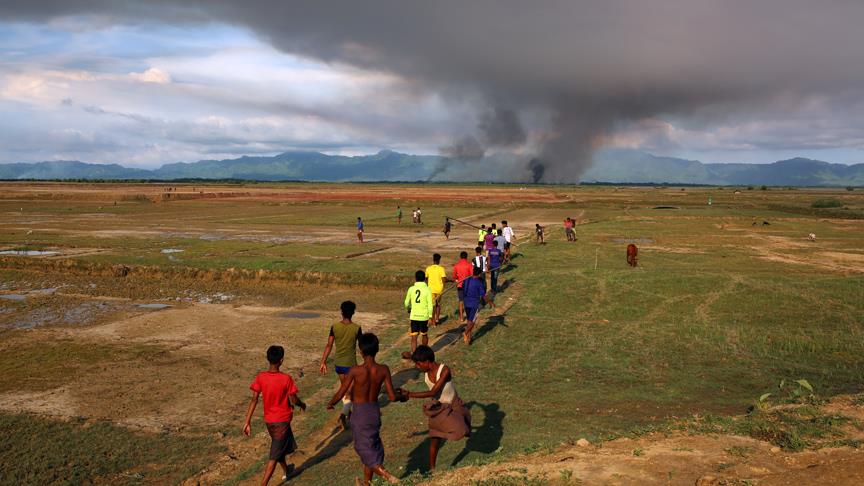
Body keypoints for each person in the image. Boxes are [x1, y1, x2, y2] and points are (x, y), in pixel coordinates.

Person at [327, 333, 400, 485]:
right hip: (374, 412)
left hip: (360, 414)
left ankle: (389, 477)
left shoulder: (355, 370)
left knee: (363, 448)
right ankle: (366, 483)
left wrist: (331, 403)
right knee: (371, 447)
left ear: (360, 351)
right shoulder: (383, 369)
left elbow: (342, 391)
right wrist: (403, 396)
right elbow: (392, 397)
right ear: (377, 349)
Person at [400, 345, 471, 472]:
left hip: (454, 406)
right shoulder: (425, 367)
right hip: (439, 408)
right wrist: (410, 356)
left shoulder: (444, 371)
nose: (417, 367)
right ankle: (432, 469)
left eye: (419, 364)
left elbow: (433, 392)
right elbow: (418, 358)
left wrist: (409, 394)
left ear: (427, 362)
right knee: (434, 437)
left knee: (463, 430)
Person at [243, 345, 306, 486]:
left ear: (268, 358)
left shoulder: (261, 377)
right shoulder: (286, 379)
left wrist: (247, 422)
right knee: (274, 455)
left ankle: (287, 470)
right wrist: (302, 405)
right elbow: (294, 399)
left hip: (269, 421)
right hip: (281, 421)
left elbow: (254, 399)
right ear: (282, 360)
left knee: (280, 448)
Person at [319, 301, 362, 430]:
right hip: (351, 365)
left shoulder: (334, 327)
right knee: (350, 391)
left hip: (339, 365)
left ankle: (348, 412)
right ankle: (343, 415)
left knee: (345, 388)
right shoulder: (357, 328)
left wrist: (323, 361)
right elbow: (362, 347)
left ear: (341, 312)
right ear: (353, 312)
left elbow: (329, 345)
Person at [402, 270, 433, 359]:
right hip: (424, 317)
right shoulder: (427, 289)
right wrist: (430, 317)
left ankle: (414, 354)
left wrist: (409, 309)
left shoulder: (411, 289)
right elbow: (430, 305)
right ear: (424, 279)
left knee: (414, 336)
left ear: (415, 278)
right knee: (424, 334)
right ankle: (424, 353)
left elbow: (406, 302)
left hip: (414, 316)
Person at [462, 267, 493, 344]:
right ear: (479, 274)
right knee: (472, 321)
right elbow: (483, 295)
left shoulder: (466, 280)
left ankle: (468, 337)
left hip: (466, 303)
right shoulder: (479, 283)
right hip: (474, 304)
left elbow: (463, 288)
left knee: (469, 320)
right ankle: (465, 333)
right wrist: (490, 302)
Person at [425, 253, 447, 326]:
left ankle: (432, 320)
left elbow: (426, 279)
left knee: (431, 306)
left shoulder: (428, 268)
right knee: (438, 305)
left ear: (433, 259)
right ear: (439, 260)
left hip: (430, 290)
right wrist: (444, 286)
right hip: (439, 290)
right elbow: (444, 279)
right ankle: (436, 319)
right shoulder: (441, 269)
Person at [452, 251, 473, 323]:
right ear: (466, 257)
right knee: (467, 300)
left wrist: (456, 279)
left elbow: (454, 276)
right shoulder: (469, 265)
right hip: (468, 285)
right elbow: (472, 275)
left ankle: (461, 317)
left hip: (460, 285)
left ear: (460, 257)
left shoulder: (456, 265)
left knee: (461, 301)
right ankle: (468, 315)